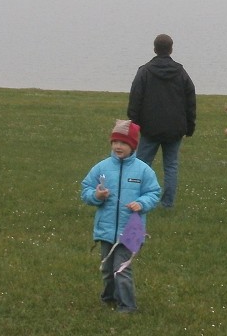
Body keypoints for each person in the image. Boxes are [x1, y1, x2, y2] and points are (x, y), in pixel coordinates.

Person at [81, 119, 161, 313]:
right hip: (106, 229)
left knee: (121, 269)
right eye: (115, 142)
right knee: (108, 270)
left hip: (131, 229)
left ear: (133, 146)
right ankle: (109, 297)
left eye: (124, 143)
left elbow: (154, 192)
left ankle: (127, 306)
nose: (118, 146)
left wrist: (141, 203)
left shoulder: (143, 170)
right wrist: (96, 196)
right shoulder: (101, 168)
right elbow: (86, 189)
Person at [127, 34, 196, 208]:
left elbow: (135, 98)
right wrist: (189, 126)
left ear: (155, 49)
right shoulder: (181, 72)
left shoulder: (145, 71)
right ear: (171, 49)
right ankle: (167, 203)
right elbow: (190, 100)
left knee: (141, 164)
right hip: (175, 128)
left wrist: (133, 122)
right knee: (171, 166)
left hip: (150, 128)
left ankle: (137, 199)